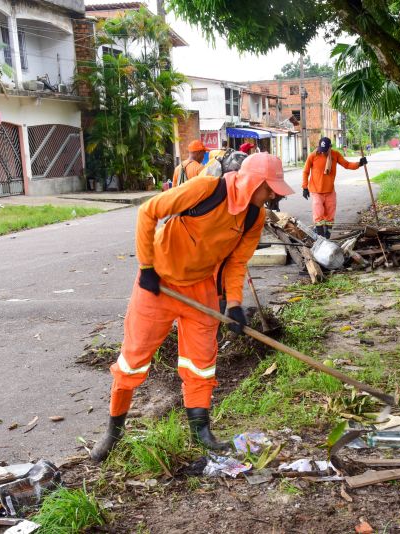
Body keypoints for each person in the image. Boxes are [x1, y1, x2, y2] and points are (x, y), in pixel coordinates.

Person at [90, 153, 294, 462]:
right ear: (255, 182)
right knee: (132, 361)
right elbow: (148, 212)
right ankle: (113, 432)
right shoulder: (206, 189)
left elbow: (237, 262)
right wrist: (146, 267)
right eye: (271, 189)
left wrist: (234, 304)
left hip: (200, 288)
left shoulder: (255, 216)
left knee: (201, 362)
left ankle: (201, 432)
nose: (275, 195)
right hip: (158, 283)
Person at [301, 137, 367, 239]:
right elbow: (305, 172)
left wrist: (359, 163)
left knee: (330, 217)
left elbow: (347, 164)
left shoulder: (335, 155)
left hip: (330, 191)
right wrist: (305, 187)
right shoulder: (313, 156)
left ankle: (327, 238)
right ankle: (320, 238)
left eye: (325, 150)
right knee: (318, 217)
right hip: (316, 191)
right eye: (321, 149)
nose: (322, 152)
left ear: (330, 147)